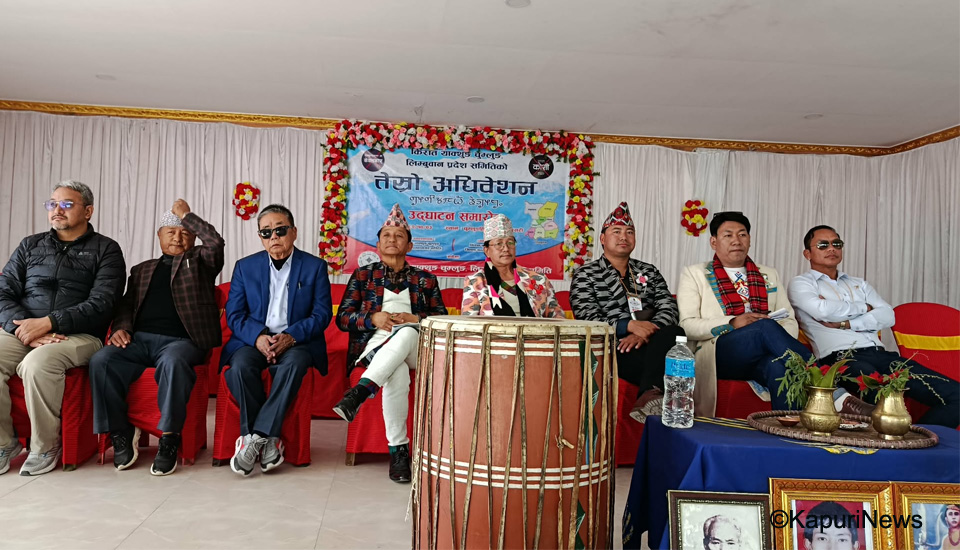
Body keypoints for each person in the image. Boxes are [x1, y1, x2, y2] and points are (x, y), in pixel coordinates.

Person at [89, 200, 224, 476]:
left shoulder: (200, 262)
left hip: (183, 342)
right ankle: (121, 431)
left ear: (193, 238)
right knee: (102, 360)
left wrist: (186, 215)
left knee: (173, 362)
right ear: (159, 235)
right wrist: (121, 328)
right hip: (139, 342)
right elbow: (126, 305)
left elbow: (215, 243)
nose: (178, 237)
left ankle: (169, 438)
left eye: (185, 233)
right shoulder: (141, 269)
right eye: (171, 232)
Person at [0, 180, 125, 476]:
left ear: (88, 211)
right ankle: (5, 443)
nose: (57, 210)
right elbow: (3, 292)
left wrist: (49, 323)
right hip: (25, 329)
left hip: (81, 335)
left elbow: (103, 303)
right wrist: (25, 328)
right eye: (52, 204)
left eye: (67, 204)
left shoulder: (106, 249)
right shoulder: (30, 245)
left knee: (37, 364)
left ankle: (45, 446)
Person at [788, 225, 960, 428]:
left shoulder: (859, 284)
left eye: (837, 243)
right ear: (807, 254)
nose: (831, 248)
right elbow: (823, 311)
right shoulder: (801, 284)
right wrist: (866, 307)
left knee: (956, 396)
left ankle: (916, 441)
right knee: (883, 401)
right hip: (842, 359)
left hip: (882, 355)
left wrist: (846, 323)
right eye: (823, 245)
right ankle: (901, 442)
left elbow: (888, 316)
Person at [332, 205, 446, 483]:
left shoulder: (426, 280)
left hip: (418, 349)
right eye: (386, 235)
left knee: (406, 333)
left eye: (399, 236)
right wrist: (372, 318)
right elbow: (343, 319)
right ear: (378, 244)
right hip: (374, 348)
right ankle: (399, 454)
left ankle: (360, 392)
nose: (392, 239)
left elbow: (442, 320)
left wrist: (416, 319)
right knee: (396, 373)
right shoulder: (363, 276)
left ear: (409, 245)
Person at [222, 204, 332, 476]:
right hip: (253, 340)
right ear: (260, 237)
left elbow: (322, 314)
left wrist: (291, 336)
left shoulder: (315, 267)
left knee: (294, 365)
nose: (274, 237)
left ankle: (255, 437)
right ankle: (269, 440)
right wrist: (258, 337)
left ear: (294, 232)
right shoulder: (245, 267)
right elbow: (234, 314)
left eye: (280, 230)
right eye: (266, 232)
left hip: (296, 341)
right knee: (240, 367)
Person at [676, 211, 813, 416]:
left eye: (742, 234)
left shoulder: (769, 273)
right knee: (764, 326)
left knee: (779, 369)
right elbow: (687, 325)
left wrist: (775, 343)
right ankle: (822, 379)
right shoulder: (695, 273)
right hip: (720, 352)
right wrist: (732, 322)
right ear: (713, 242)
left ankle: (788, 429)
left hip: (763, 352)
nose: (736, 241)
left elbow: (789, 320)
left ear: (749, 240)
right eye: (728, 235)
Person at [571, 202, 684, 423]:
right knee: (667, 360)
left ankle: (649, 396)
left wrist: (646, 332)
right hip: (614, 348)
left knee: (676, 332)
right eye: (617, 231)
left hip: (651, 342)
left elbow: (669, 307)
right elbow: (586, 317)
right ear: (602, 238)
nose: (624, 236)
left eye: (629, 232)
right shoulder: (586, 274)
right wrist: (629, 326)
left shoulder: (648, 271)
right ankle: (657, 396)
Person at [461, 214, 564, 318]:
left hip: (533, 328)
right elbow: (468, 322)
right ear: (487, 250)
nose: (506, 248)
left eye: (510, 243)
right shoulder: (475, 281)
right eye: (499, 244)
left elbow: (557, 316)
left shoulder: (538, 278)